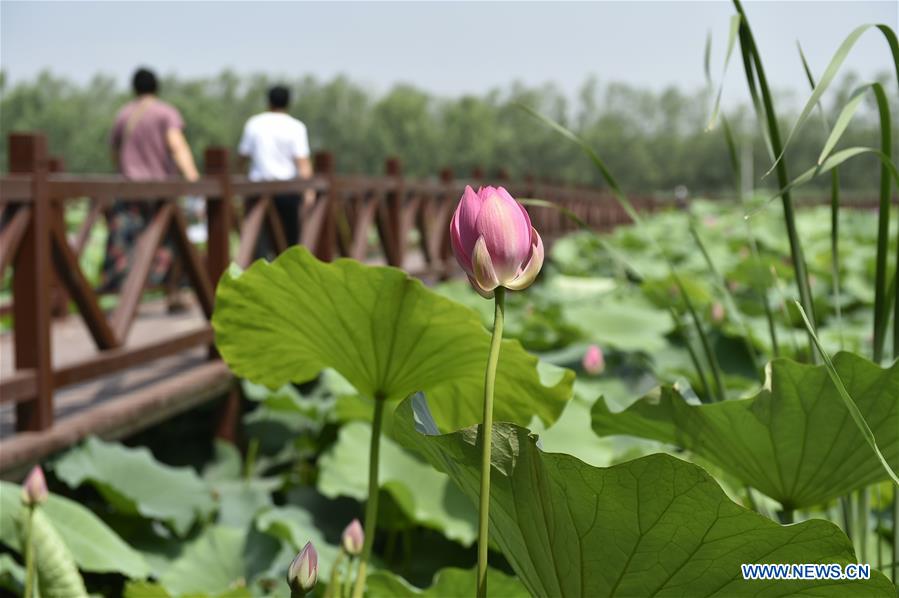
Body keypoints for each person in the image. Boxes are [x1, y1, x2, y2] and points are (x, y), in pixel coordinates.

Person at [102, 67, 199, 300]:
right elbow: (177, 146)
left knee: (128, 245)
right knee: (172, 241)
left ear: (134, 88)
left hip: (129, 191)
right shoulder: (165, 113)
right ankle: (173, 292)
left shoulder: (123, 115)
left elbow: (114, 153)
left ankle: (127, 298)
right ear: (157, 86)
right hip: (160, 192)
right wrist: (194, 180)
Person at [238, 85, 313, 247]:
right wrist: (309, 191)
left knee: (256, 242)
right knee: (289, 243)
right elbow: (302, 163)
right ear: (288, 103)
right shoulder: (296, 126)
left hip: (257, 191)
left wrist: (237, 185)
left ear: (268, 101)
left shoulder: (254, 123)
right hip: (288, 192)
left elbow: (242, 158)